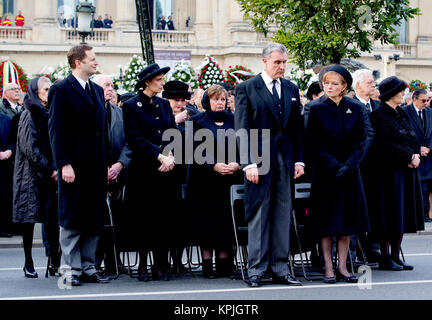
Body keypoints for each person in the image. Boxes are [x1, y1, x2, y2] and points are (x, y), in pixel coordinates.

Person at [234, 43, 304, 287]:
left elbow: (296, 128)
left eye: (284, 62)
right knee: (259, 214)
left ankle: (281, 268)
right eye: (277, 62)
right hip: (258, 162)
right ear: (264, 62)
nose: (282, 67)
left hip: (285, 160)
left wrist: (299, 159)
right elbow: (241, 128)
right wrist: (248, 163)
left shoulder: (291, 88)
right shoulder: (246, 88)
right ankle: (256, 270)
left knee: (283, 214)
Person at [48, 44, 110, 286]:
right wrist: (63, 163)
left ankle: (88, 266)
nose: (96, 62)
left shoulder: (95, 90)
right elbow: (56, 130)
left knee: (93, 219)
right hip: (73, 167)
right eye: (92, 59)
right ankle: (70, 270)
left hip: (95, 167)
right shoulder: (61, 89)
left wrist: (105, 165)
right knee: (72, 218)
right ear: (77, 62)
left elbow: (101, 132)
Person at [306, 66, 369, 283]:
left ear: (344, 86)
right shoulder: (315, 108)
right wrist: (334, 165)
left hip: (350, 173)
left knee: (347, 224)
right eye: (326, 83)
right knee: (327, 224)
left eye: (334, 83)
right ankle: (328, 268)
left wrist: (350, 164)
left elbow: (362, 140)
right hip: (326, 174)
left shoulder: (356, 108)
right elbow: (313, 143)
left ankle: (343, 267)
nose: (329, 87)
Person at [122, 63, 181, 282]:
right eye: (159, 80)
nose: (163, 83)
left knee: (163, 219)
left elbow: (172, 131)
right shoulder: (130, 106)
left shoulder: (164, 104)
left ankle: (160, 264)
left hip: (165, 171)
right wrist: (159, 155)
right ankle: (143, 265)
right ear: (147, 82)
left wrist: (171, 155)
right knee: (144, 219)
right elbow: (135, 138)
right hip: (144, 170)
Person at [367, 76, 424, 271]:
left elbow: (413, 137)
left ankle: (395, 255)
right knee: (388, 216)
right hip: (388, 174)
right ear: (390, 93)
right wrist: (409, 157)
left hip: (405, 172)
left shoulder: (401, 113)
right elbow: (384, 144)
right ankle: (385, 257)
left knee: (401, 215)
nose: (403, 94)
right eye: (400, 91)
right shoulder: (379, 115)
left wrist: (415, 155)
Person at [185, 85, 242, 278]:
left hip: (229, 179)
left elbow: (244, 145)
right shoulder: (196, 121)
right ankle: (207, 264)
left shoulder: (235, 120)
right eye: (215, 99)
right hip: (204, 180)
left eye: (223, 99)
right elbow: (192, 150)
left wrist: (238, 163)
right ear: (207, 101)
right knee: (207, 221)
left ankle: (225, 264)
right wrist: (213, 165)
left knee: (226, 221)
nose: (220, 103)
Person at [12, 77, 60, 278]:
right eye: (45, 89)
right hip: (31, 176)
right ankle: (28, 261)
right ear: (36, 91)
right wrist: (49, 167)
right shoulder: (28, 114)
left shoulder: (51, 113)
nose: (49, 92)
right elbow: (29, 148)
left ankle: (55, 261)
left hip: (50, 174)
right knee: (29, 221)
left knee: (53, 218)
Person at [91, 74, 132, 277]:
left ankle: (114, 260)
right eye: (106, 85)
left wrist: (119, 165)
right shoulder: (88, 112)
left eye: (112, 86)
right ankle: (94, 262)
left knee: (116, 219)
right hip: (94, 174)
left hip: (117, 175)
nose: (111, 89)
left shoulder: (119, 113)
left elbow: (128, 142)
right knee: (96, 221)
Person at [351, 69, 381, 264]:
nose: (373, 85)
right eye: (369, 82)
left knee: (375, 208)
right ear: (358, 85)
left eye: (373, 82)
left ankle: (373, 247)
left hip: (377, 167)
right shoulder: (351, 106)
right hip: (358, 164)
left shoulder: (378, 106)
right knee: (358, 208)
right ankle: (359, 249)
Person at [403, 89, 432, 223]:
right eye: (423, 100)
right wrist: (418, 149)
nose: (426, 103)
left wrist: (428, 148)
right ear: (414, 99)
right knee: (415, 188)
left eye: (428, 100)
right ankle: (413, 216)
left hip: (427, 157)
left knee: (425, 188)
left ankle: (425, 215)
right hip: (412, 155)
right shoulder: (405, 112)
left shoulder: (430, 112)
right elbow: (404, 133)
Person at [0, 113, 13, 238]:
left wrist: (10, 150)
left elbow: (13, 138)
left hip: (4, 165)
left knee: (4, 196)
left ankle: (3, 227)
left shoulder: (6, 119)